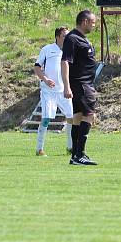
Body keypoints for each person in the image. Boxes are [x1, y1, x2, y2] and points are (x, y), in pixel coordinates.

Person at [61, 10, 99, 166]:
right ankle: (80, 154)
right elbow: (65, 62)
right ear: (84, 21)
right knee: (89, 116)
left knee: (77, 118)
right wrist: (66, 86)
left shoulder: (81, 39)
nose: (94, 25)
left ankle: (75, 156)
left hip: (84, 84)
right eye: (93, 22)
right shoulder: (72, 38)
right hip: (81, 85)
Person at [33, 26, 73, 156]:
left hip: (64, 90)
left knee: (71, 118)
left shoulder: (70, 51)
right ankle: (39, 149)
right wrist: (45, 79)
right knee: (46, 119)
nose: (67, 39)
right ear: (57, 37)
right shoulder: (47, 49)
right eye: (64, 36)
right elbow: (37, 68)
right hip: (48, 91)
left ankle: (70, 147)